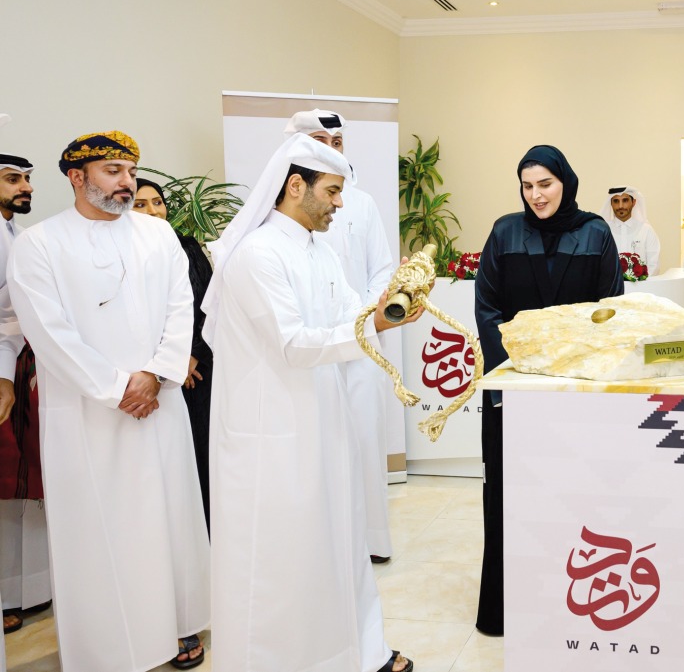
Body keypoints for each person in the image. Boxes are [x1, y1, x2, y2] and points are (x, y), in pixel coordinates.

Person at [203, 134, 416, 672]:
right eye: (333, 191)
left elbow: (353, 313)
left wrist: (396, 299)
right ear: (295, 187)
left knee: (336, 546)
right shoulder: (257, 256)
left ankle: (355, 653)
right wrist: (376, 324)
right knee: (285, 562)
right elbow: (295, 344)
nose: (341, 204)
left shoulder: (317, 249)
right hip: (271, 437)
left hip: (323, 420)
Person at [8, 131, 210, 671]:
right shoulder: (39, 244)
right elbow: (47, 332)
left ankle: (178, 625)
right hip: (86, 414)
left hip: (158, 405)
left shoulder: (158, 233)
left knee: (168, 517)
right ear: (77, 177)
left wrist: (156, 374)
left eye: (130, 171)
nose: (128, 182)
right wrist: (117, 386)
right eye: (113, 171)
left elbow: (180, 307)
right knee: (99, 529)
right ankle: (104, 646)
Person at [475, 146, 623, 636]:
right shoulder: (504, 232)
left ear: (565, 182)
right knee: (509, 498)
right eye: (527, 185)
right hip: (514, 393)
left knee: (576, 498)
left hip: (576, 397)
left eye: (545, 184)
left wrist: (570, 372)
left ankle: (573, 606)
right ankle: (504, 610)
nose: (535, 195)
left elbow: (609, 313)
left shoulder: (595, 232)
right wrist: (520, 373)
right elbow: (488, 309)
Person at [287, 109, 395, 564]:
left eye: (337, 142)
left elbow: (380, 271)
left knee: (364, 439)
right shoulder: (277, 215)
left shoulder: (361, 202)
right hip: (306, 350)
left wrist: (364, 322)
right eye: (319, 141)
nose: (330, 150)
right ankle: (328, 544)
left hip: (360, 342)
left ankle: (369, 540)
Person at [133, 178, 215, 529]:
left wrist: (191, 355)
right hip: (148, 373)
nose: (153, 211)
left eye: (157, 202)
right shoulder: (126, 254)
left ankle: (208, 537)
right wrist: (167, 363)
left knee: (201, 453)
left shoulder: (188, 246)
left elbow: (209, 304)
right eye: (141, 204)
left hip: (196, 370)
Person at [0, 129, 50, 635]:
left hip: (23, 366)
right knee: (7, 483)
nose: (25, 188)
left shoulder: (17, 233)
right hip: (4, 369)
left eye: (27, 180)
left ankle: (28, 588)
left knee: (27, 483)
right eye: (13, 179)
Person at [603, 185, 661, 275]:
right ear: (611, 204)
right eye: (616, 201)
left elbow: (653, 265)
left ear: (633, 202)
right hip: (611, 288)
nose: (620, 206)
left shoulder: (646, 230)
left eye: (625, 200)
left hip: (641, 287)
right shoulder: (604, 231)